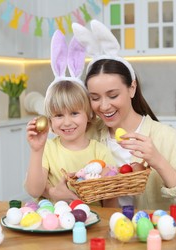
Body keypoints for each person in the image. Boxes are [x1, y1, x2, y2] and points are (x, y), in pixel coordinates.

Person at [70, 20, 176, 211]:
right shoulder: (87, 134)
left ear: (132, 88)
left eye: (113, 95)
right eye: (94, 98)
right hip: (98, 234)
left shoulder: (166, 138)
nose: (104, 106)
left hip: (150, 235)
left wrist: (157, 160)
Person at [24, 30, 117, 207]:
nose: (67, 122)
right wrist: (36, 150)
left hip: (91, 225)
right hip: (54, 225)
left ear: (88, 114)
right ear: (50, 120)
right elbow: (34, 191)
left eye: (74, 113)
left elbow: (110, 199)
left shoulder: (100, 152)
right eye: (58, 115)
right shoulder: (48, 149)